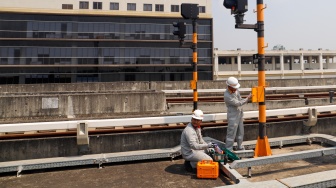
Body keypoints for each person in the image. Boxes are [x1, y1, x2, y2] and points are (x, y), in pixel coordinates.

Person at [224, 77, 252, 151]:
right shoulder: (227, 95)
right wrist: (247, 99)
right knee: (231, 133)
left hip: (239, 114)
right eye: (234, 88)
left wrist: (248, 99)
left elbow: (240, 99)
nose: (235, 89)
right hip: (233, 116)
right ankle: (229, 149)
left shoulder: (236, 91)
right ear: (229, 86)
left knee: (240, 131)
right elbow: (238, 103)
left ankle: (240, 146)